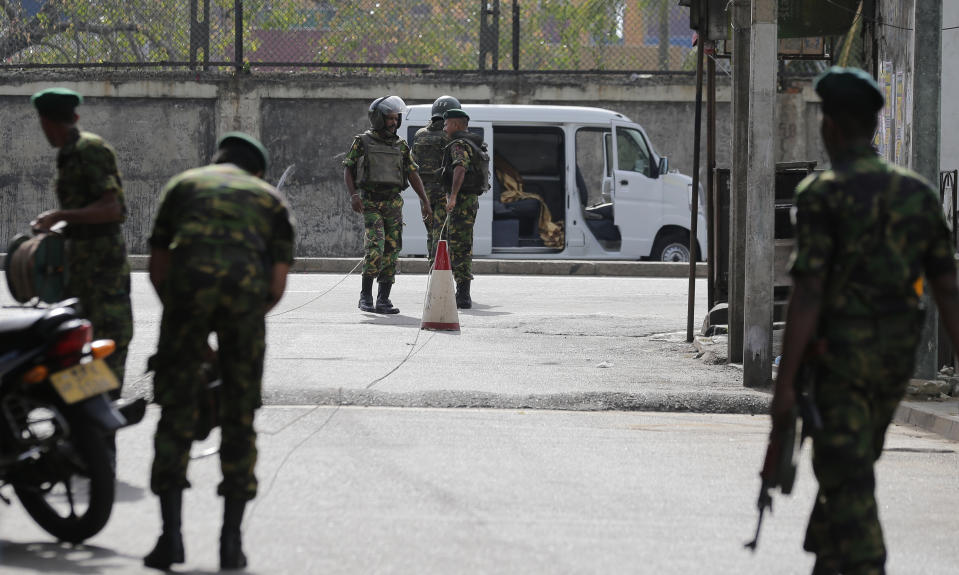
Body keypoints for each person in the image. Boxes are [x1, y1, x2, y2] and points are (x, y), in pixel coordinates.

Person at [770, 67, 959, 575]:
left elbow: (807, 294)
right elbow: (948, 289)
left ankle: (866, 565)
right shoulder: (918, 193)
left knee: (848, 479)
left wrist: (784, 388)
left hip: (840, 366)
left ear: (830, 127)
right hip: (893, 368)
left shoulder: (821, 194)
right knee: (848, 468)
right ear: (873, 126)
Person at [144, 132, 295, 571]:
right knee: (239, 414)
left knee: (174, 412)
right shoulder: (270, 200)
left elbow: (157, 266)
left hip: (186, 295)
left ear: (218, 160)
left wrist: (183, 322)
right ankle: (231, 544)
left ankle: (169, 540)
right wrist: (245, 318)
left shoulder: (184, 185)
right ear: (258, 171)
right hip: (244, 302)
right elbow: (277, 284)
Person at [29, 87, 133, 395]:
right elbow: (86, 211)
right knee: (79, 352)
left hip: (103, 273)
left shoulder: (90, 149)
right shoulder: (68, 154)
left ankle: (101, 426)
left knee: (106, 348)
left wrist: (60, 215)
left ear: (46, 122)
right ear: (73, 116)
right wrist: (59, 227)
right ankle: (85, 428)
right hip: (82, 270)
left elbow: (113, 210)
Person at [343, 95, 431, 314]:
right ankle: (365, 296)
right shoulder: (362, 141)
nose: (394, 122)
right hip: (371, 202)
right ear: (379, 119)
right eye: (390, 118)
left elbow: (412, 173)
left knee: (392, 250)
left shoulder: (400, 145)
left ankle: (383, 299)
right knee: (375, 247)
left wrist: (425, 201)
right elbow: (348, 168)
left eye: (396, 118)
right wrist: (354, 195)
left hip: (393, 203)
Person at [441, 108, 490, 309]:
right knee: (464, 243)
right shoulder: (473, 143)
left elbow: (460, 168)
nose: (444, 128)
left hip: (461, 200)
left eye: (446, 124)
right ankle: (462, 291)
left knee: (459, 245)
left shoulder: (459, 144)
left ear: (455, 125)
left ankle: (462, 295)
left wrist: (452, 197)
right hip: (470, 200)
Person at [412, 95, 461, 263]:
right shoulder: (450, 136)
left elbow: (413, 164)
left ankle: (433, 266)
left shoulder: (419, 135)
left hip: (424, 192)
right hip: (443, 191)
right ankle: (437, 269)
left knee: (431, 230)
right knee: (441, 233)